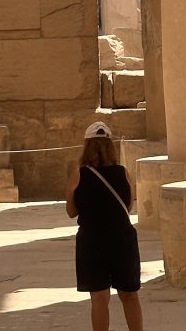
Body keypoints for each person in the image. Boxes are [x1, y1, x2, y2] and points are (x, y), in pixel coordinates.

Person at [66, 121, 143, 331]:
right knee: (129, 295)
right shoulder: (123, 172)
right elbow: (127, 206)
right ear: (110, 146)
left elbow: (71, 211)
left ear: (87, 146)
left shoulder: (79, 175)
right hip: (122, 240)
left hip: (92, 242)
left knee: (99, 298)